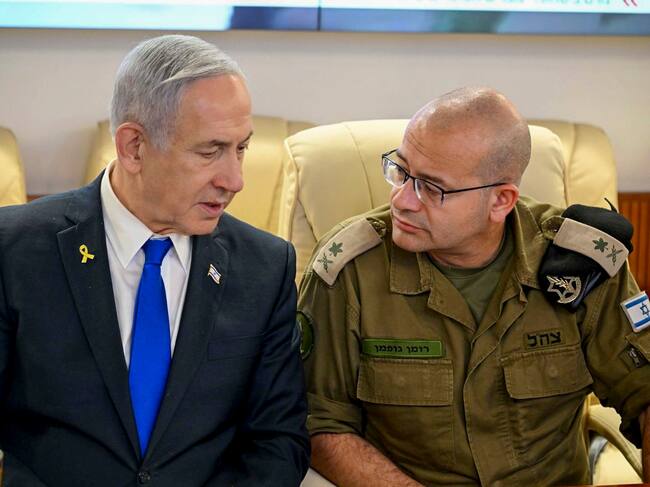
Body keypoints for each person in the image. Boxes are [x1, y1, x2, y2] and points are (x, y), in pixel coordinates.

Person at [298, 87, 650, 485]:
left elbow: (645, 391)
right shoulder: (349, 270)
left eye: (432, 188)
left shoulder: (581, 263)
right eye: (401, 170)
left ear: (501, 201)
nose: (402, 200)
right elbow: (319, 423)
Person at [0, 35, 309, 486]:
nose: (235, 179)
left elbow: (278, 441)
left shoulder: (265, 267)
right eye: (210, 151)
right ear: (134, 147)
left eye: (241, 148)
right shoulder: (15, 250)